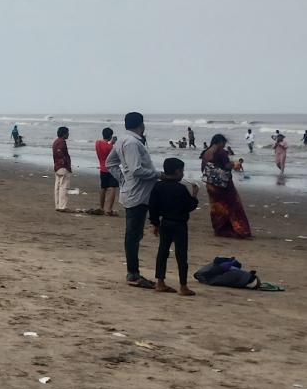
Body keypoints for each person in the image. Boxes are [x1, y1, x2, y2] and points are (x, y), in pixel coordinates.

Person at [105, 112, 158, 289]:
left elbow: (110, 163)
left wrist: (122, 178)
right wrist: (159, 175)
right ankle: (133, 273)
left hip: (134, 191)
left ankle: (133, 272)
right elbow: (136, 170)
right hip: (137, 193)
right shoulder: (133, 142)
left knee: (134, 233)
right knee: (133, 234)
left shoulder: (122, 140)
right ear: (141, 125)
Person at [150, 157, 200, 296]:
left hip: (165, 222)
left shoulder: (158, 186)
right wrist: (194, 195)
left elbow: (153, 206)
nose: (183, 174)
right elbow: (189, 206)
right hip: (179, 224)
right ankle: (183, 286)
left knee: (163, 252)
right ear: (177, 172)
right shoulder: (180, 189)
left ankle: (160, 282)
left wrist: (155, 223)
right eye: (182, 171)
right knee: (181, 254)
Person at [201, 135, 252, 238]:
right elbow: (226, 166)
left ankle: (219, 229)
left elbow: (203, 168)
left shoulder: (206, 152)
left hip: (211, 184)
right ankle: (240, 230)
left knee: (217, 207)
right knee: (233, 205)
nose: (224, 145)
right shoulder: (221, 152)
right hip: (223, 184)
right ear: (219, 142)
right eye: (223, 143)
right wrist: (233, 164)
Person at [95, 128, 119, 216]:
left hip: (102, 167)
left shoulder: (97, 143)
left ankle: (101, 207)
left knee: (103, 188)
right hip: (110, 169)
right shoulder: (110, 147)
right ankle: (109, 209)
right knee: (113, 187)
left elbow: (105, 147)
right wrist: (112, 144)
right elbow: (112, 153)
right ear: (110, 136)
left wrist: (111, 143)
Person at [52, 126, 72, 212]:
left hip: (57, 166)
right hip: (63, 166)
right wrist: (65, 162)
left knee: (57, 187)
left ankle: (58, 205)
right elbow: (60, 152)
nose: (68, 134)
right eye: (67, 132)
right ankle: (62, 206)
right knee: (63, 187)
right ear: (64, 134)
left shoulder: (55, 141)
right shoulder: (62, 142)